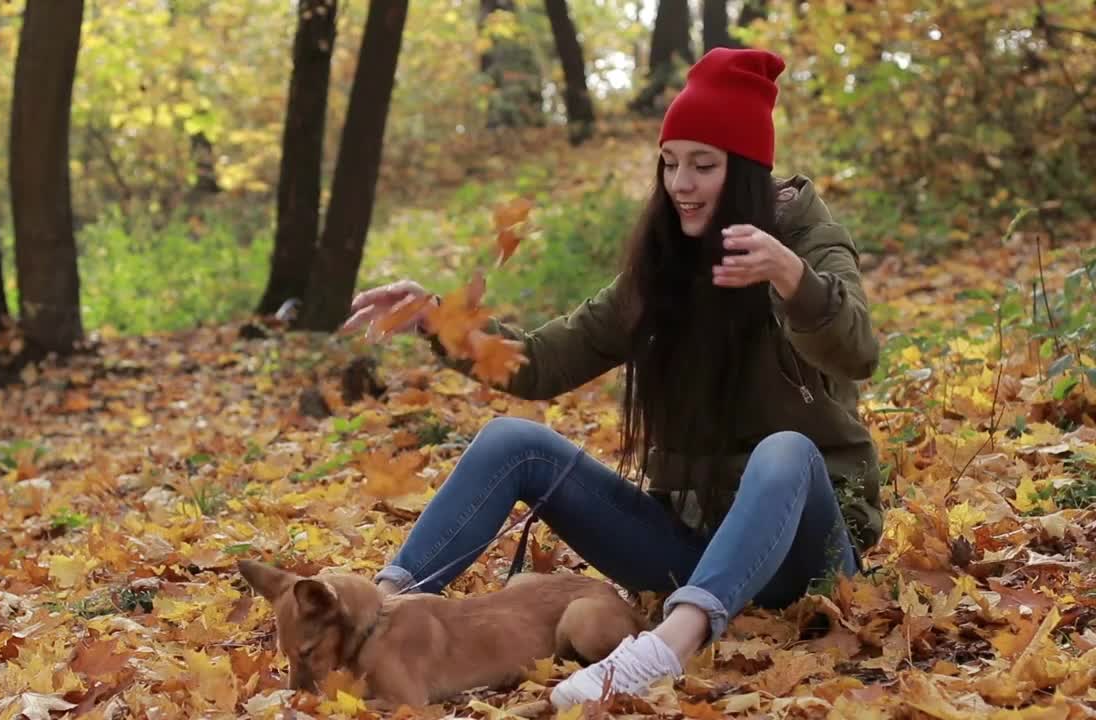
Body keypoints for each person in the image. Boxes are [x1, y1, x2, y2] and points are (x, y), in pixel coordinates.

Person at [340, 46, 884, 709]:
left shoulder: (810, 246)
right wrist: (440, 321)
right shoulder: (660, 272)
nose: (681, 183)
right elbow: (542, 361)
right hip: (695, 540)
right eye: (671, 163)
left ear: (745, 172)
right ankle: (369, 617)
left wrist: (791, 279)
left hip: (808, 556)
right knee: (515, 442)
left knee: (786, 453)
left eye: (703, 165)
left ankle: (660, 653)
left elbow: (858, 352)